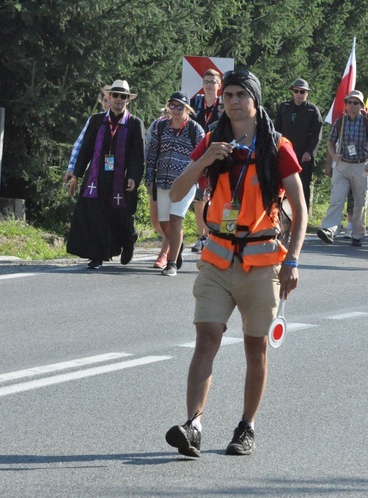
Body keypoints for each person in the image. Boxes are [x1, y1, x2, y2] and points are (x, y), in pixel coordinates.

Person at [165, 70, 307, 458]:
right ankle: (193, 424)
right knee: (206, 337)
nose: (232, 100)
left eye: (241, 94)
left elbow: (300, 208)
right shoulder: (212, 140)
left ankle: (246, 427)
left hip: (262, 262)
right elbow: (177, 192)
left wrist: (292, 260)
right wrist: (205, 160)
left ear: (255, 100)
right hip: (217, 258)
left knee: (254, 346)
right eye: (227, 94)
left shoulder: (277, 145)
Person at [67, 80, 144, 269]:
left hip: (122, 179)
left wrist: (133, 176)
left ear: (128, 100)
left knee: (121, 216)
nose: (118, 99)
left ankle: (128, 241)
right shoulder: (96, 120)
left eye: (123, 96)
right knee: (95, 216)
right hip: (97, 177)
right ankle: (97, 255)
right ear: (108, 97)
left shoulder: (134, 123)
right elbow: (85, 150)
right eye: (115, 95)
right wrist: (76, 175)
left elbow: (137, 154)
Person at [145, 91, 205, 276]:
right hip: (162, 181)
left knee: (175, 219)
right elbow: (153, 153)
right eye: (172, 105)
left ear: (187, 108)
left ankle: (171, 264)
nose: (176, 109)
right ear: (168, 107)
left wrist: (202, 182)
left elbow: (203, 158)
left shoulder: (196, 130)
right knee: (164, 224)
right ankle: (177, 244)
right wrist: (149, 178)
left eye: (180, 106)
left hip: (184, 183)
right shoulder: (160, 127)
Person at [317, 90, 368, 247]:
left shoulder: (367, 123)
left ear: (361, 106)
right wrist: (333, 155)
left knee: (360, 201)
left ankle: (357, 234)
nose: (351, 105)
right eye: (349, 102)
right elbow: (330, 143)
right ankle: (329, 229)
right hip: (342, 165)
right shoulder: (340, 122)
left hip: (360, 165)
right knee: (336, 199)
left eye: (355, 102)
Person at [274, 78, 323, 210]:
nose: (299, 94)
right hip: (285, 153)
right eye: (296, 91)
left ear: (307, 93)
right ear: (293, 92)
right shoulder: (284, 107)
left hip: (303, 154)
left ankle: (302, 218)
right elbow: (276, 130)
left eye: (302, 91)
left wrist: (310, 152)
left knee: (303, 186)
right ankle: (282, 217)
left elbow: (317, 134)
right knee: (282, 185)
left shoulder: (312, 110)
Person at [190, 69, 223, 254]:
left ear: (219, 85)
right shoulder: (195, 102)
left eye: (213, 81)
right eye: (206, 81)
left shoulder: (222, 104)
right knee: (199, 197)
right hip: (198, 154)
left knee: (216, 197)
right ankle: (202, 236)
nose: (209, 85)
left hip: (217, 154)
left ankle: (214, 235)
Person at [64, 92, 110, 186]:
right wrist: (72, 168)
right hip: (96, 167)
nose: (107, 104)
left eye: (110, 101)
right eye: (105, 100)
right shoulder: (95, 119)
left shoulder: (126, 120)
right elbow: (80, 144)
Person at [145, 107, 172, 269]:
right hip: (156, 176)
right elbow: (147, 150)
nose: (173, 111)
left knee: (169, 219)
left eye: (178, 107)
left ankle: (164, 254)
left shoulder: (190, 127)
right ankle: (175, 240)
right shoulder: (156, 125)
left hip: (176, 180)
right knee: (156, 221)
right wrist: (147, 174)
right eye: (170, 107)